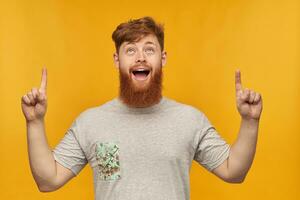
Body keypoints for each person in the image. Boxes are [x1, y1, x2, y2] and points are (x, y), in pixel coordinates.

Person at [21, 16, 263, 199]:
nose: (140, 57)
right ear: (117, 60)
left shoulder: (189, 120)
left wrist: (250, 122)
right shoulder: (90, 122)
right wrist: (34, 122)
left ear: (162, 58)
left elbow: (234, 172)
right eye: (130, 50)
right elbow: (48, 180)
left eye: (149, 49)